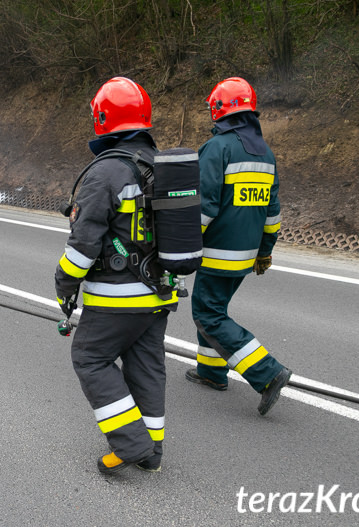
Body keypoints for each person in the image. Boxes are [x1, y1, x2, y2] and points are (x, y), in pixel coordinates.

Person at [55, 77, 177, 475]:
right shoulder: (163, 166)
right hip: (160, 292)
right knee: (146, 365)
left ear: (102, 120)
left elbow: (83, 245)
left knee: (90, 357)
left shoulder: (106, 171)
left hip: (117, 297)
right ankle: (152, 451)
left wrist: (64, 284)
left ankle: (130, 444)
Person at [186, 77, 292, 415]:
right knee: (215, 309)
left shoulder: (217, 148)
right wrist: (265, 251)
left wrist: (184, 247)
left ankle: (267, 373)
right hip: (246, 256)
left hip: (216, 252)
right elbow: (271, 213)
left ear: (219, 109)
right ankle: (211, 372)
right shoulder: (266, 153)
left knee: (207, 313)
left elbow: (202, 207)